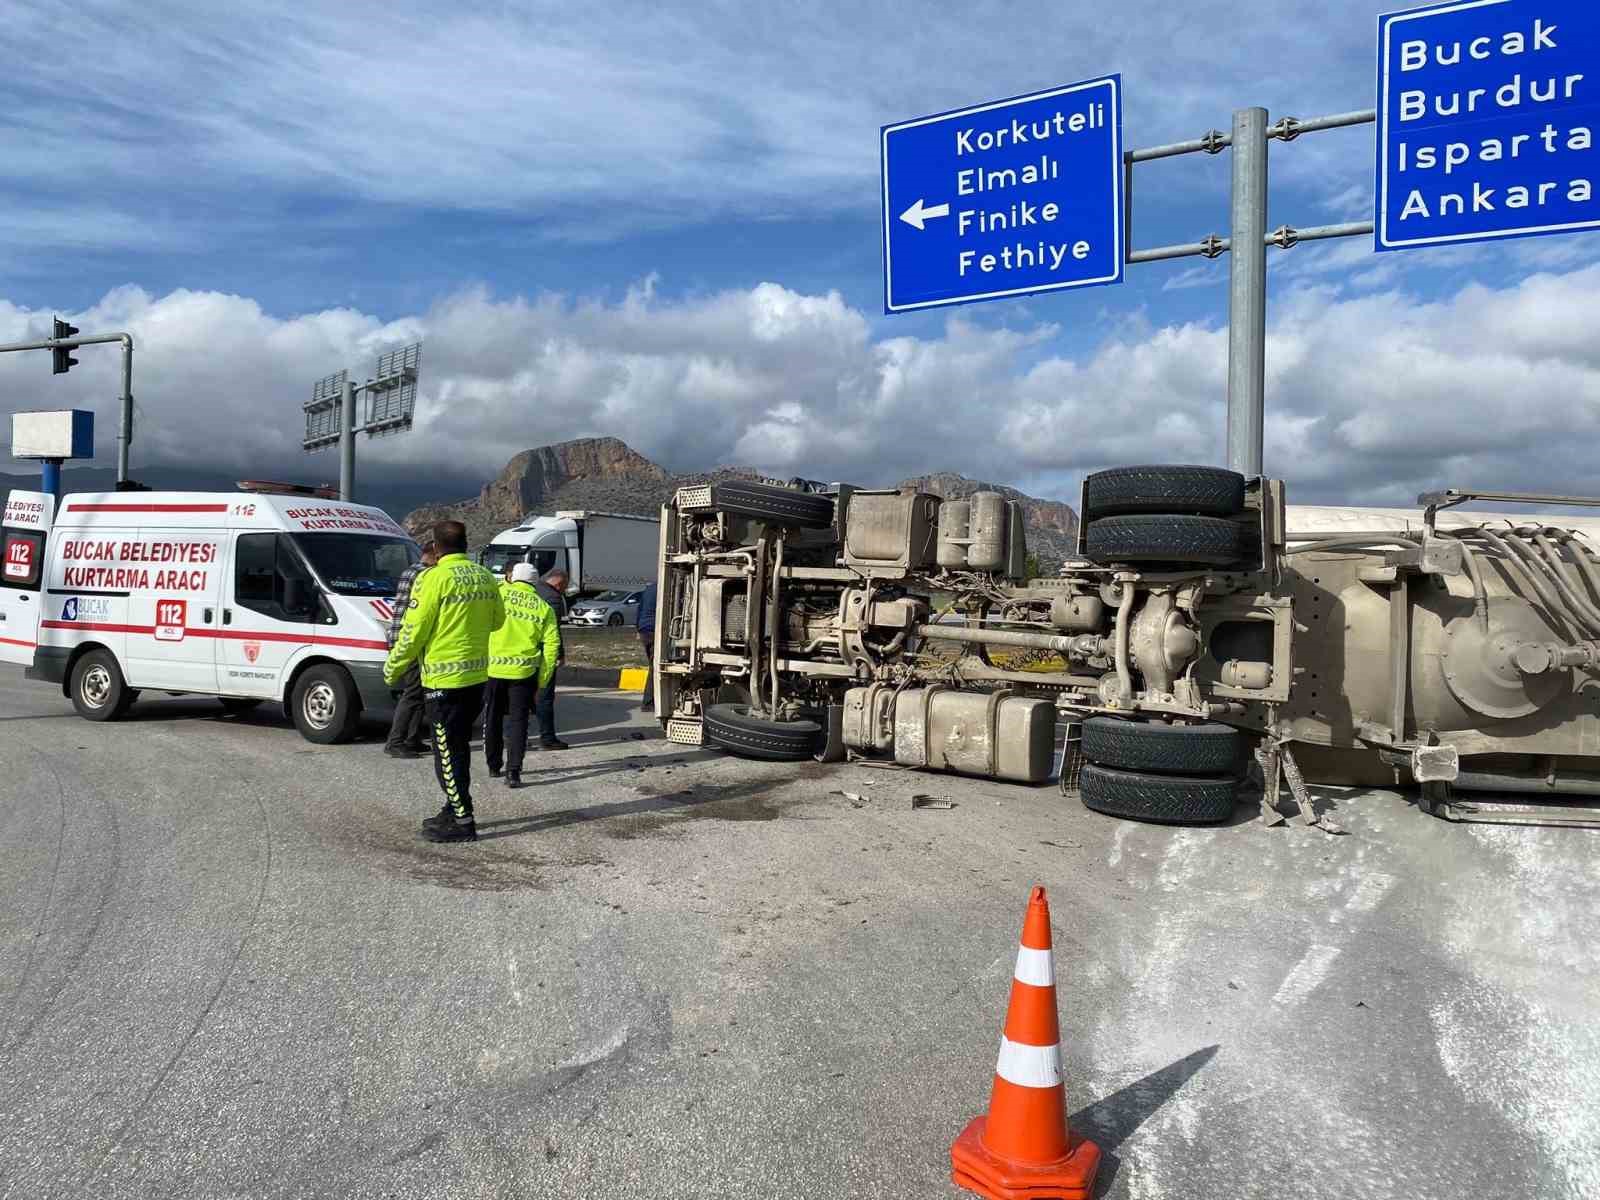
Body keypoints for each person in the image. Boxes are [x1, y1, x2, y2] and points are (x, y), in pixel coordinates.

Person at [384, 521, 505, 842]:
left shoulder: (432, 578)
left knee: (447, 753)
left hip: (443, 681)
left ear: (435, 548)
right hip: (477, 678)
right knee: (458, 746)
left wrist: (392, 667)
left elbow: (413, 631)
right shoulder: (484, 577)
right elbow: (498, 621)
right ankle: (453, 807)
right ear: (465, 544)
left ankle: (462, 821)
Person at [483, 562, 561, 786]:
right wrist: (543, 679)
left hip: (492, 669)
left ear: (511, 577)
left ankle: (493, 765)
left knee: (492, 718)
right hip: (524, 673)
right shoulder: (542, 607)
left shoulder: (496, 595)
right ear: (535, 582)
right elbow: (551, 646)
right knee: (519, 722)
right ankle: (513, 772)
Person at [384, 542, 437, 758]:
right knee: (413, 693)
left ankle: (412, 738)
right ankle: (395, 741)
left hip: (400, 636)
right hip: (412, 640)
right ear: (433, 555)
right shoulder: (425, 575)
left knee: (420, 692)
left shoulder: (410, 570)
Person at [532, 567, 570, 750]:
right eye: (565, 586)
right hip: (544, 653)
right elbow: (553, 631)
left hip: (523, 652)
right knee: (545, 697)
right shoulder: (553, 597)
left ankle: (515, 737)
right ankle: (547, 738)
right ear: (559, 582)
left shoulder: (533, 589)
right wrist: (559, 654)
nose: (564, 590)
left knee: (521, 698)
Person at [636, 580, 657, 712]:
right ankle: (648, 703)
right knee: (655, 667)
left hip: (644, 630)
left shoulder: (648, 590)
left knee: (653, 666)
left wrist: (637, 628)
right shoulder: (667, 587)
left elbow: (639, 609)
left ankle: (650, 701)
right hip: (655, 630)